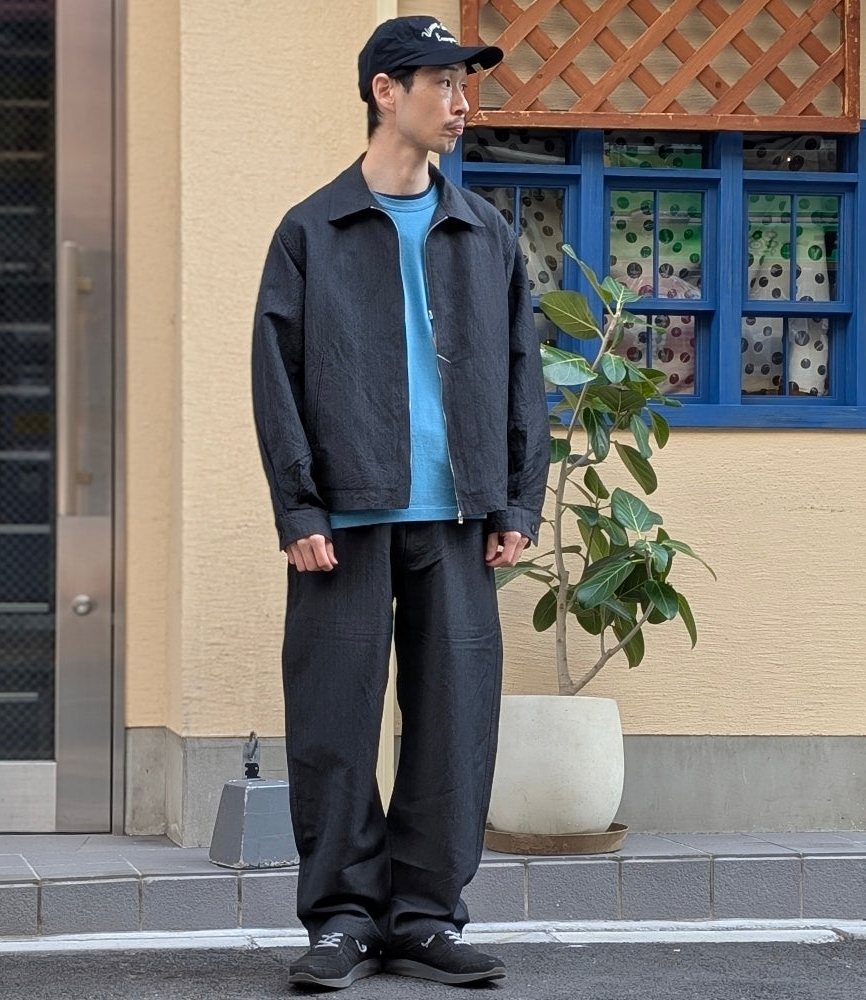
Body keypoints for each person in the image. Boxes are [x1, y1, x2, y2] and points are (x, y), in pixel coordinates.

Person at [251, 14, 548, 990]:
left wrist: (517, 502)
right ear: (386, 91)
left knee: (453, 724)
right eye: (443, 84)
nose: (462, 104)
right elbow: (277, 376)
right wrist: (299, 509)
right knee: (334, 724)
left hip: (459, 516)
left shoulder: (485, 233)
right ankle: (341, 918)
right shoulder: (311, 230)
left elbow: (521, 374)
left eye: (466, 86)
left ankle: (423, 918)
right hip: (344, 519)